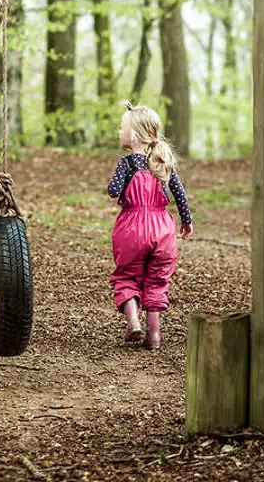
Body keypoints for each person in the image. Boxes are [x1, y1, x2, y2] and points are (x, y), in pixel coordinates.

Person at [106, 103, 192, 350]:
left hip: (132, 229)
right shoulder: (163, 162)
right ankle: (154, 335)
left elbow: (113, 190)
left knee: (127, 276)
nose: (119, 131)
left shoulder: (126, 164)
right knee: (157, 280)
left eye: (121, 127)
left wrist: (121, 185)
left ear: (133, 135)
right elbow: (180, 194)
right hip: (162, 230)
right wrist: (186, 221)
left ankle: (133, 322)